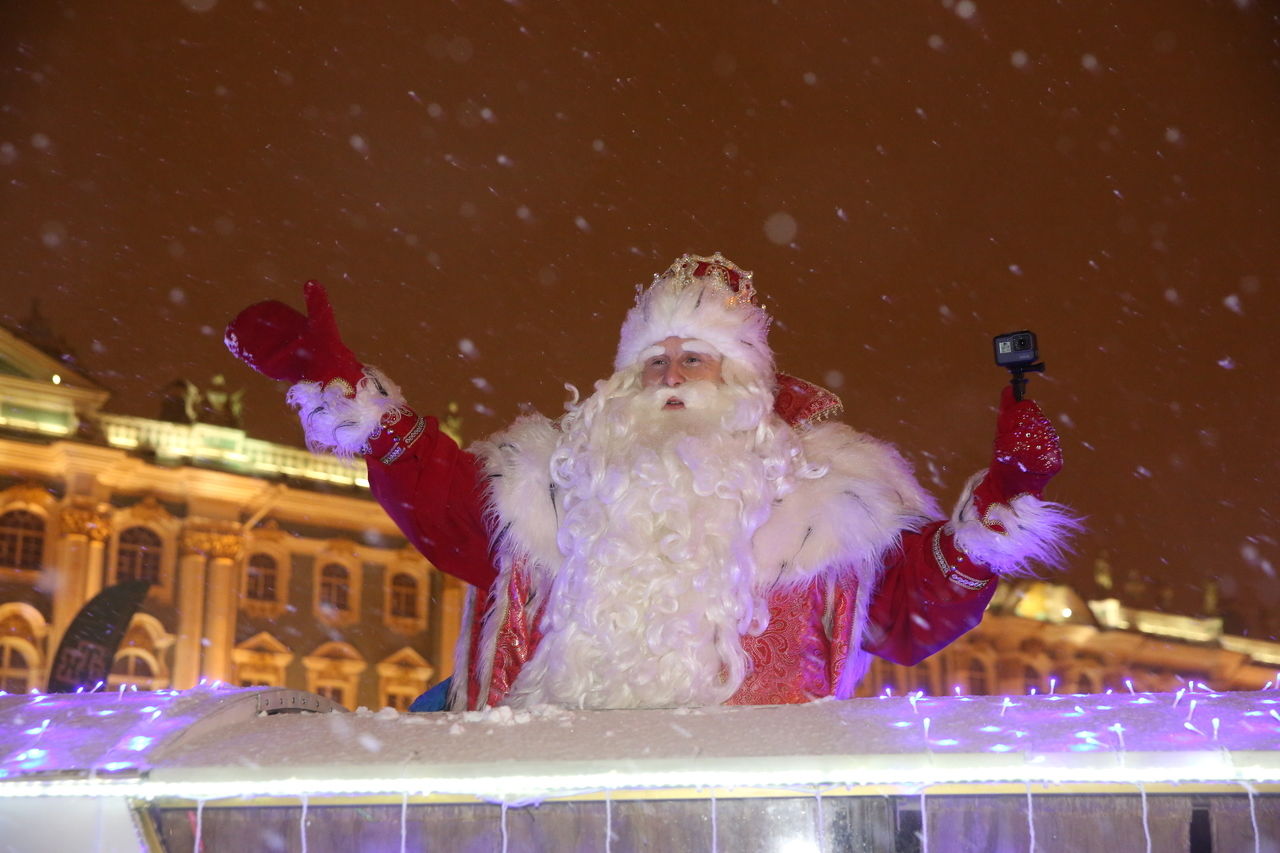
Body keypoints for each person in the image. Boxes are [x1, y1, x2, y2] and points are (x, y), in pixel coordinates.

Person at [225, 253, 1076, 711]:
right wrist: (355, 401)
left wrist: (990, 516)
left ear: (744, 379)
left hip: (754, 813)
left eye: (695, 357)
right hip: (557, 800)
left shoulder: (827, 496)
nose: (672, 375)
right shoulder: (557, 482)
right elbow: (451, 508)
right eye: (656, 359)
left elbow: (903, 614)